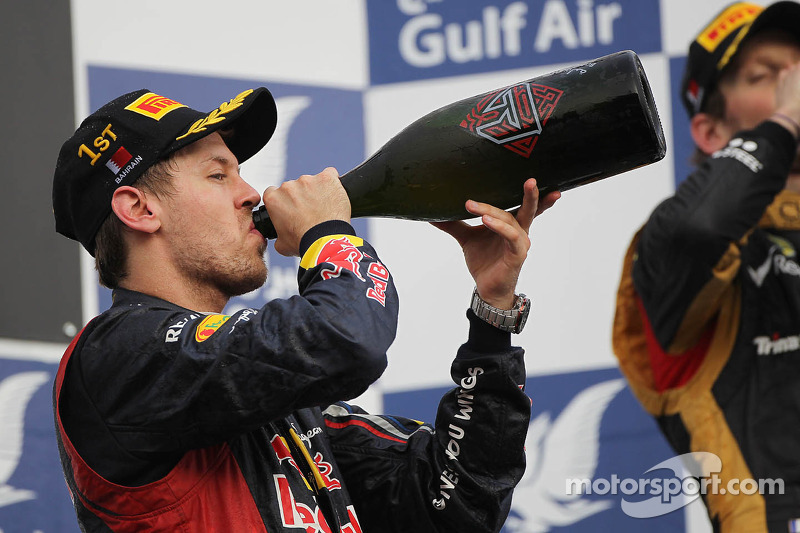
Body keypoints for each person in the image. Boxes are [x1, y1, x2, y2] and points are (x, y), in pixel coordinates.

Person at [51, 86, 558, 532]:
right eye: (217, 175)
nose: (250, 194)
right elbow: (345, 338)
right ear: (140, 209)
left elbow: (456, 506)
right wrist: (326, 235)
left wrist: (492, 315)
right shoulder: (116, 357)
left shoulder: (279, 405)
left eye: (240, 174)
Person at [612, 2, 800, 531]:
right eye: (768, 77)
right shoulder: (674, 244)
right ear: (713, 133)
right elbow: (703, 226)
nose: (796, 83)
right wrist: (785, 121)